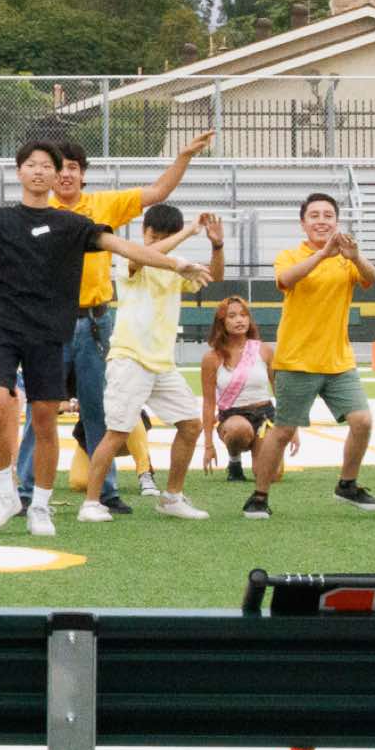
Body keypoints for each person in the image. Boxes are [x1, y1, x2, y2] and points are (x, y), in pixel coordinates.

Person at [0, 142, 211, 537]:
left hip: (51, 332)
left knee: (45, 419)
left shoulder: (72, 224)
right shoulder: (1, 219)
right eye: (31, 164)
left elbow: (125, 247)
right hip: (4, 328)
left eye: (47, 165)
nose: (39, 171)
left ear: (59, 174)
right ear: (19, 171)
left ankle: (42, 505)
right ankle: (6, 494)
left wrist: (176, 262)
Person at [21, 133, 215, 514]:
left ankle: (105, 492)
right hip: (47, 321)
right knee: (39, 408)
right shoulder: (36, 210)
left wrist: (183, 157)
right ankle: (27, 492)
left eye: (73, 168)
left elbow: (159, 191)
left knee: (100, 409)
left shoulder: (104, 205)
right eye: (60, 168)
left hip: (94, 319)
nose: (66, 175)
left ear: (83, 174)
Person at [77, 208, 224, 524]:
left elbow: (214, 277)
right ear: (143, 231)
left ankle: (172, 497)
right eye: (153, 236)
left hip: (162, 363)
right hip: (130, 357)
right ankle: (91, 503)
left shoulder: (176, 265)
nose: (156, 242)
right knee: (117, 432)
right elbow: (143, 257)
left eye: (163, 236)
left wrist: (217, 246)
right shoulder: (128, 257)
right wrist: (187, 232)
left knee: (191, 425)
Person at [247, 193, 375, 518]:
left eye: (328, 215)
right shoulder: (290, 255)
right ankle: (259, 496)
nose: (321, 221)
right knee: (283, 431)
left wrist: (355, 256)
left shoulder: (346, 259)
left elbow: (372, 277)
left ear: (336, 221)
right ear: (303, 223)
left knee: (363, 421)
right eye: (314, 215)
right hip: (297, 360)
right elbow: (286, 279)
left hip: (339, 361)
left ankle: (347, 484)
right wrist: (323, 254)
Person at [200, 296, 280, 483]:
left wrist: (291, 428)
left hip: (266, 416)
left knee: (270, 476)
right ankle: (234, 461)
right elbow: (209, 403)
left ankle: (262, 450)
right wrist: (208, 445)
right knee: (239, 430)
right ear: (222, 322)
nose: (239, 320)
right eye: (232, 316)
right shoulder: (211, 358)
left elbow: (280, 391)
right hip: (233, 417)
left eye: (244, 315)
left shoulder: (265, 350)